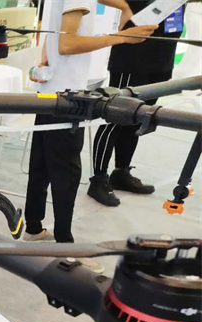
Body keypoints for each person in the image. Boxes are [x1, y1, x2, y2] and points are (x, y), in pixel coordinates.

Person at [22, 0, 157, 273]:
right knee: (66, 173)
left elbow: (57, 35)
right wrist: (122, 37)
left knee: (42, 165)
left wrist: (124, 7)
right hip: (68, 97)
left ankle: (34, 229)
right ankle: (66, 247)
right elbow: (67, 44)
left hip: (51, 90)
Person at [87, 1, 184, 206]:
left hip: (164, 50)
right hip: (133, 54)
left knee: (140, 117)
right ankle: (98, 179)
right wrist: (125, 6)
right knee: (114, 117)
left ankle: (121, 171)